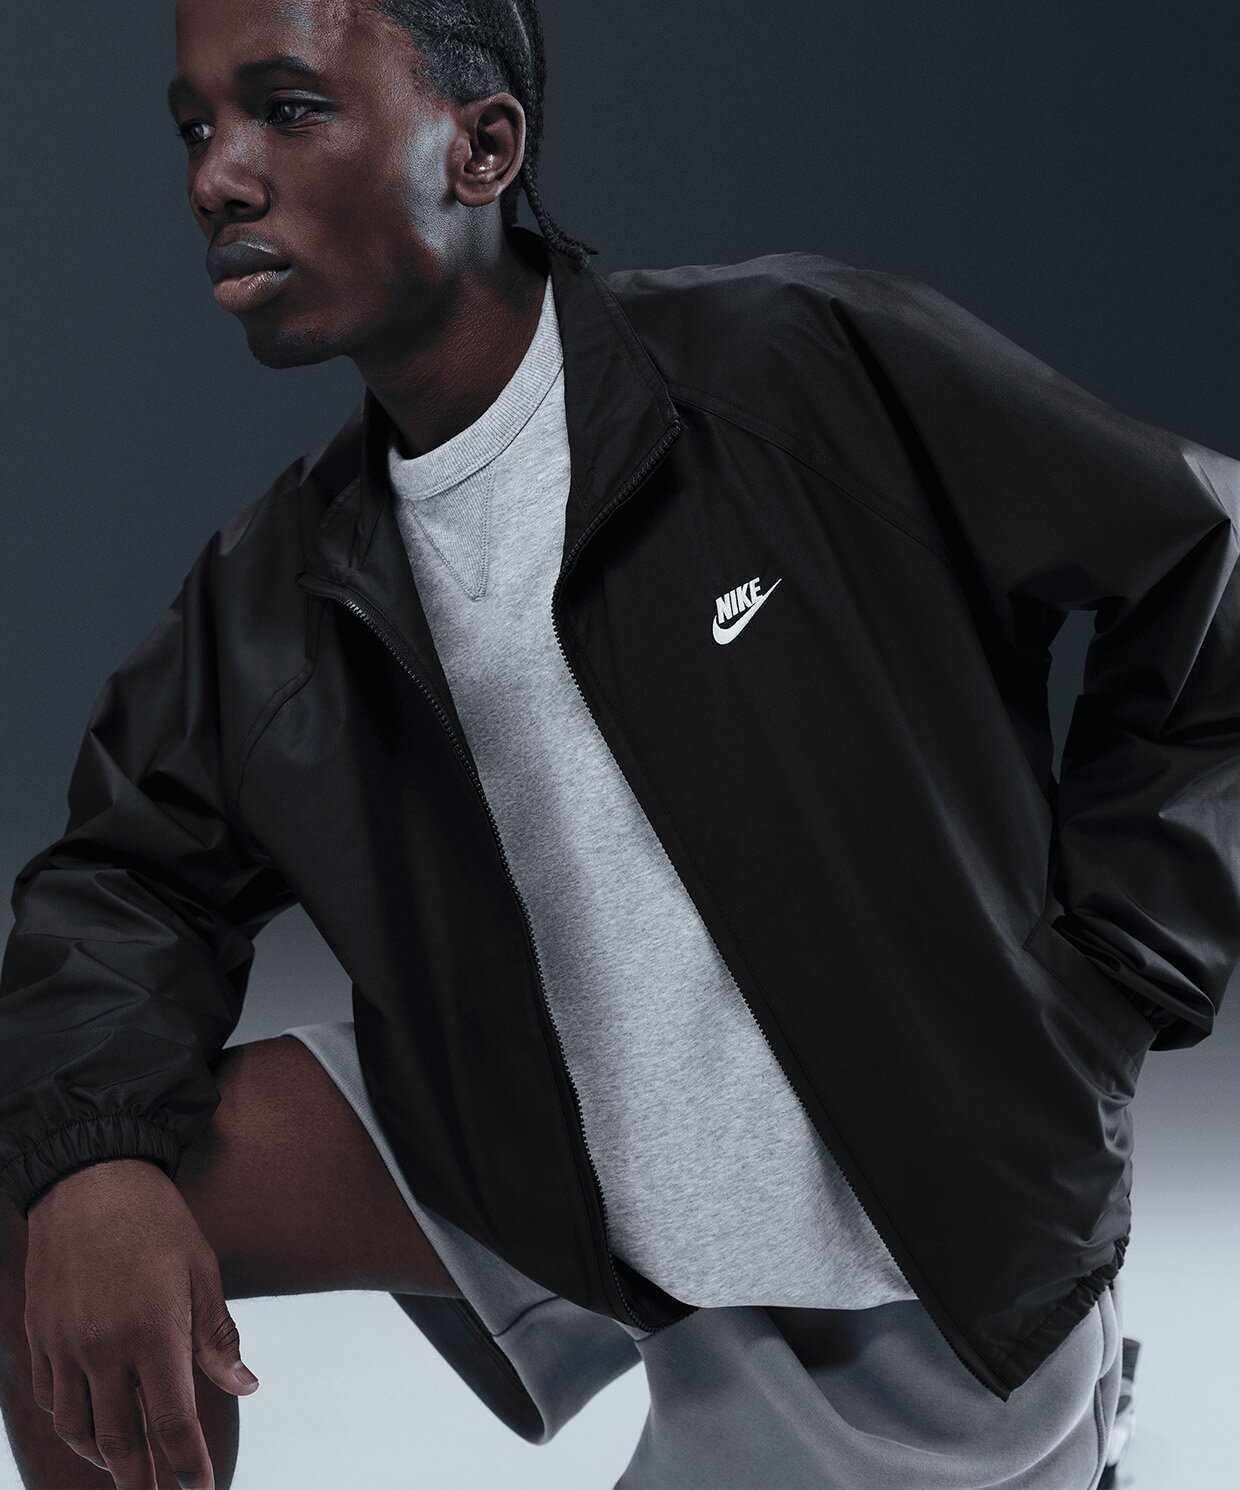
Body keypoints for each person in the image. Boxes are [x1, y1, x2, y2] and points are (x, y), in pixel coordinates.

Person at [0, 0, 1229, 1486]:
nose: (218, 176)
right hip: (544, 1142)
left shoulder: (789, 376)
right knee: (53, 1183)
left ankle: (1075, 1426)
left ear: (482, 149)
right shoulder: (282, 583)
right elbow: (121, 877)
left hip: (902, 1270)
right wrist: (94, 1165)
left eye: (290, 108)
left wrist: (1121, 975)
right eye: (197, 128)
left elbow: (1210, 562)